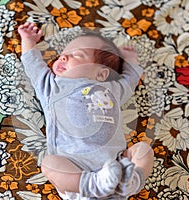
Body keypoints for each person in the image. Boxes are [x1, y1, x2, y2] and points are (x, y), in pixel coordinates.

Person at [18, 22, 154, 199]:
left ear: (101, 74)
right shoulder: (53, 87)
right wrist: (28, 40)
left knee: (143, 150)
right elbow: (33, 66)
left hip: (115, 168)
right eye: (62, 55)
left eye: (77, 55)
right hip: (75, 171)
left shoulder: (112, 90)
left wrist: (131, 61)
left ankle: (130, 182)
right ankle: (94, 184)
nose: (63, 58)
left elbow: (130, 80)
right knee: (50, 164)